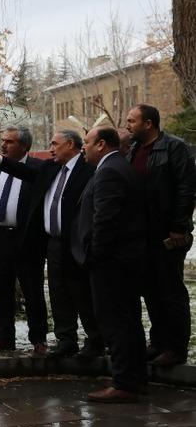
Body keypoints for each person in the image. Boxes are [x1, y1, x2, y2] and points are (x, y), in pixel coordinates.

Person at [0, 130, 102, 360]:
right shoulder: (52, 168)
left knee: (77, 293)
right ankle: (66, 340)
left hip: (66, 242)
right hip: (42, 241)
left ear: (70, 144)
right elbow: (22, 172)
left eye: (55, 143)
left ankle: (91, 341)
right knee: (57, 293)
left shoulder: (87, 169)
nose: (51, 148)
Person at [73, 127, 147, 402]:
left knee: (115, 321)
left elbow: (105, 220)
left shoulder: (109, 171)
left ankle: (124, 383)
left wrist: (94, 255)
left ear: (101, 144)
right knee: (128, 321)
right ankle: (135, 378)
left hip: (111, 264)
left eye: (88, 143)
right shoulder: (119, 166)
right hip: (121, 261)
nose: (84, 148)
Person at [126, 104, 196, 367]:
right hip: (142, 235)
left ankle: (176, 348)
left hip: (167, 234)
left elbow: (185, 189)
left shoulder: (174, 147)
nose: (127, 125)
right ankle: (158, 343)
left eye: (132, 121)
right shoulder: (134, 150)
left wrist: (178, 227)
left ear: (149, 124)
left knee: (171, 291)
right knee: (151, 291)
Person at [0, 126, 48, 356]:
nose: (4, 145)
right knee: (1, 289)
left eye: (10, 141)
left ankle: (38, 339)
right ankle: (5, 337)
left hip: (26, 240)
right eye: (3, 140)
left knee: (32, 290)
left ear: (25, 146)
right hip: (1, 239)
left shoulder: (38, 168)